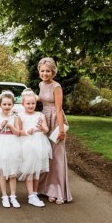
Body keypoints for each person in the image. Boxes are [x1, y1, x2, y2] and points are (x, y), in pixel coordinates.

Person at [37, 57, 73, 204]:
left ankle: (58, 191)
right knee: (46, 155)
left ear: (53, 72)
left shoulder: (56, 86)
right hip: (45, 119)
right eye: (42, 70)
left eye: (48, 71)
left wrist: (61, 130)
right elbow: (43, 100)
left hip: (56, 120)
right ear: (39, 71)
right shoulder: (40, 84)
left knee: (57, 156)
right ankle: (46, 189)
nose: (45, 73)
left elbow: (58, 109)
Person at [0, 90, 23, 208]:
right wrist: (0, 125)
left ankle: (13, 196)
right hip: (0, 144)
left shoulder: (15, 117)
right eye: (4, 104)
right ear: (0, 105)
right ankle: (4, 196)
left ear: (13, 105)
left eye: (9, 104)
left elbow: (18, 133)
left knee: (12, 174)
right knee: (3, 173)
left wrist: (11, 126)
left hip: (13, 144)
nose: (7, 106)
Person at [17, 89, 52, 207]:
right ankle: (31, 195)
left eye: (33, 103)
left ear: (36, 103)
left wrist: (42, 127)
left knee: (37, 171)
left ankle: (34, 193)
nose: (31, 105)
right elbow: (18, 132)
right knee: (30, 171)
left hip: (40, 144)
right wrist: (27, 131)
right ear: (23, 104)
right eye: (28, 103)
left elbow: (46, 129)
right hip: (27, 144)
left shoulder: (40, 115)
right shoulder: (20, 116)